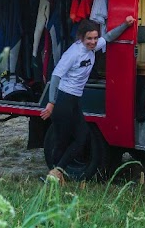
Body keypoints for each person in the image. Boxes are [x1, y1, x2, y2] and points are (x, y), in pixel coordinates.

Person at [40, 15, 135, 182]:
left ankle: (56, 172)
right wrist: (51, 103)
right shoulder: (73, 53)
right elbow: (55, 76)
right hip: (63, 100)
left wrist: (125, 24)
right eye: (89, 39)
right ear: (81, 37)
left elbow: (109, 37)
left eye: (95, 38)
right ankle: (55, 174)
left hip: (75, 100)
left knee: (82, 137)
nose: (93, 42)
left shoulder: (95, 46)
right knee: (62, 141)